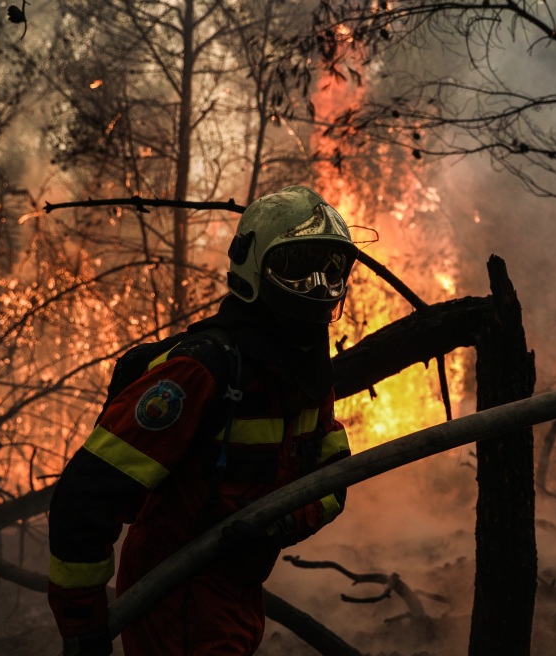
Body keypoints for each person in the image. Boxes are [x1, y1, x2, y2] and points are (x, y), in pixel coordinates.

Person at [47, 186, 357, 655]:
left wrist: (279, 526)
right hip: (175, 594)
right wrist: (82, 623)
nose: (318, 287)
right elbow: (86, 495)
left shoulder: (303, 375)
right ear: (253, 267)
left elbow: (333, 480)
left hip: (237, 589)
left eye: (331, 272)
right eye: (298, 268)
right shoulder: (201, 371)